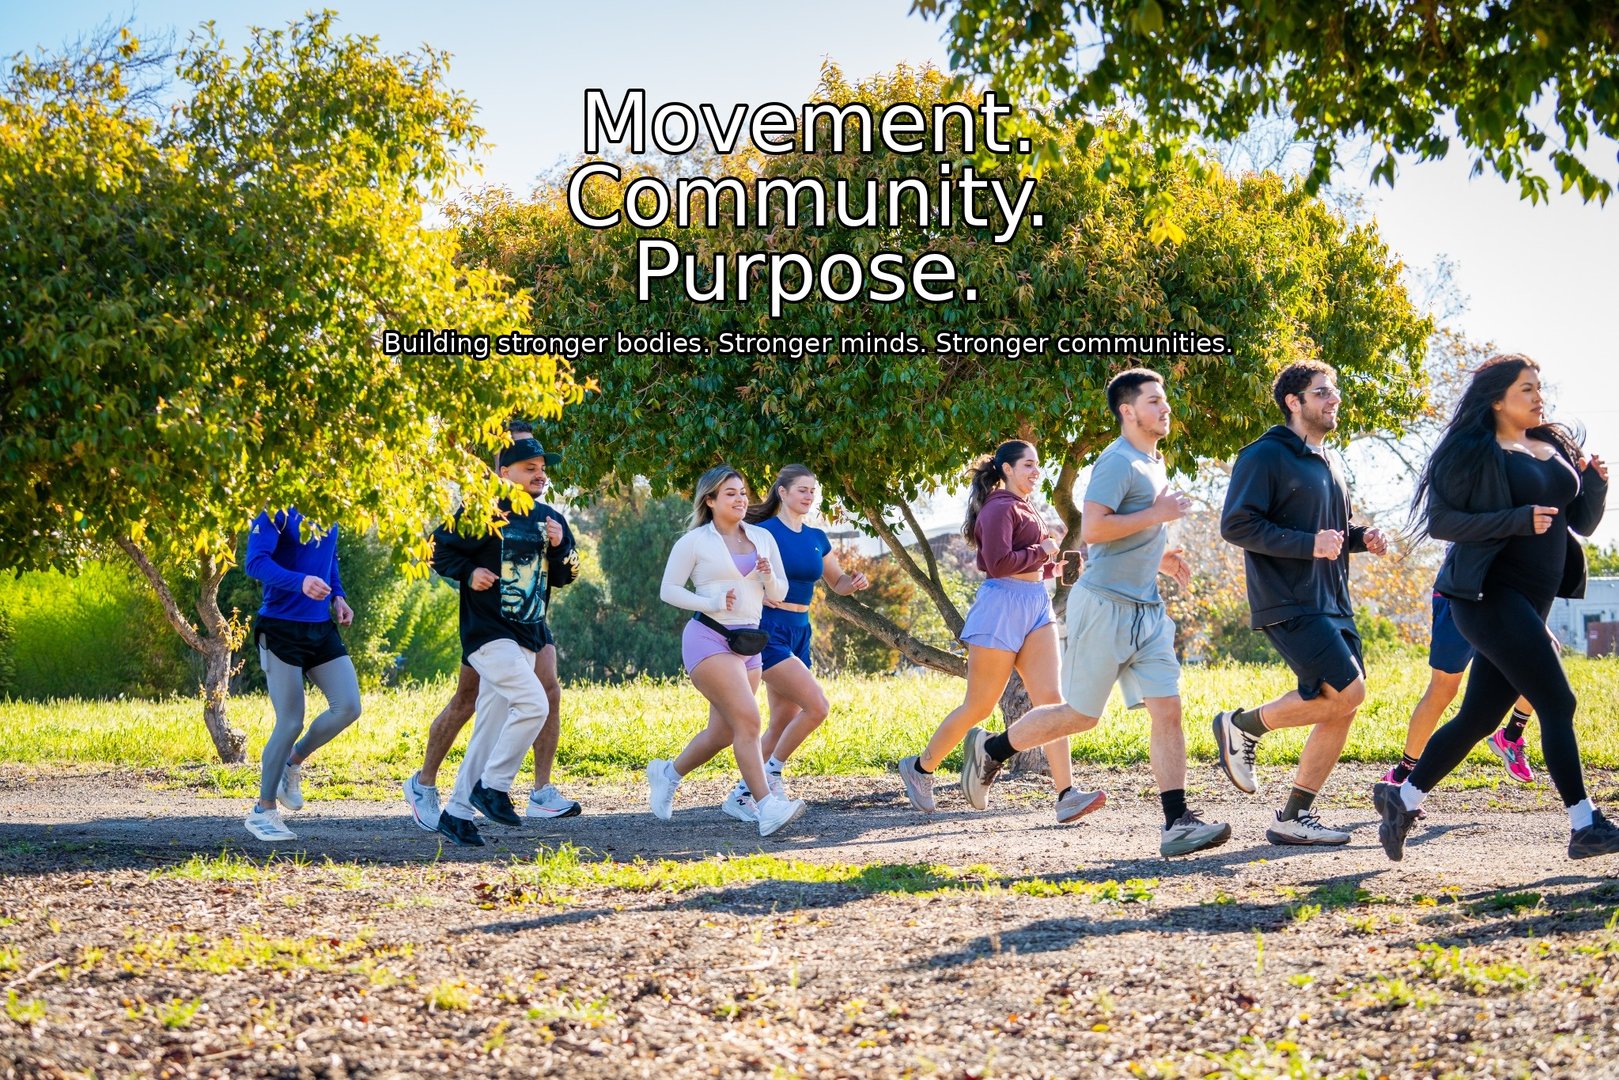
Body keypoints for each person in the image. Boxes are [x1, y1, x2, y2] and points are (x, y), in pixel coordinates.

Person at [957, 371, 1231, 856]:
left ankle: (1176, 821)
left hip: (1146, 607)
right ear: (1128, 411)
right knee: (1081, 716)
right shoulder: (1116, 461)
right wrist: (1156, 517)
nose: (1165, 408)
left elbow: (1133, 530)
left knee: (1168, 709)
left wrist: (1159, 555)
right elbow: (1096, 532)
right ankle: (991, 749)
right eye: (1155, 401)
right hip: (1103, 605)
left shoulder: (1152, 462)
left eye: (1164, 400)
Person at [1377, 354, 1616, 861]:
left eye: (1538, 387)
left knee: (1480, 716)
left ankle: (1404, 798)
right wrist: (1514, 519)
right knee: (1558, 702)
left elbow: (1583, 525)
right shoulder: (1474, 451)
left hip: (1531, 601)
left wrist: (1593, 483)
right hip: (1486, 596)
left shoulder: (1550, 444)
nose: (1538, 397)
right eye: (1526, 389)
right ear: (1497, 400)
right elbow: (1443, 522)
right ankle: (1585, 823)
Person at [1213, 360, 1391, 846]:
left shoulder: (1330, 461)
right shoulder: (1264, 456)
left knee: (1341, 706)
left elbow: (1329, 532)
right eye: (1321, 393)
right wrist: (1309, 544)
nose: (1333, 400)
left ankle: (1293, 816)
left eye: (1333, 392)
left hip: (1333, 600)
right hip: (1289, 599)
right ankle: (1242, 725)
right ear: (1294, 402)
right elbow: (1237, 525)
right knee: (1350, 692)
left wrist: (1360, 538)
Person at [898, 441, 1095, 823]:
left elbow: (1029, 562)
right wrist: (1042, 551)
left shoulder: (1025, 506)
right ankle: (920, 768)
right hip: (1001, 608)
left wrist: (1057, 568)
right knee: (980, 705)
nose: (1036, 472)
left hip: (1035, 603)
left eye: (1038, 465)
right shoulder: (998, 507)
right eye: (1028, 465)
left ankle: (1067, 794)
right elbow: (998, 563)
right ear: (1006, 469)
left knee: (1051, 702)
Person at [403, 420, 580, 832]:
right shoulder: (483, 513)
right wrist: (469, 573)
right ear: (504, 473)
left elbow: (566, 575)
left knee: (487, 728)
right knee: (534, 703)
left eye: (541, 468)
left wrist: (559, 547)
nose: (539, 474)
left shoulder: (551, 518)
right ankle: (493, 787)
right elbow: (435, 549)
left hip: (528, 635)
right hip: (487, 634)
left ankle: (458, 814)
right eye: (528, 467)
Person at [648, 465, 807, 837]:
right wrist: (711, 599)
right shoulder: (694, 541)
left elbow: (779, 594)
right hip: (708, 638)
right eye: (730, 493)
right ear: (710, 500)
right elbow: (668, 590)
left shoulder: (762, 538)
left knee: (722, 733)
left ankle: (667, 774)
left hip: (748, 643)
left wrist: (768, 575)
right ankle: (766, 806)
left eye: (742, 492)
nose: (740, 499)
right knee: (750, 721)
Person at [715, 465, 871, 817]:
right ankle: (771, 774)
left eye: (812, 490)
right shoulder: (763, 532)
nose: (809, 495)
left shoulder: (817, 537)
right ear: (782, 492)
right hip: (769, 630)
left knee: (783, 719)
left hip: (801, 629)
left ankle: (741, 794)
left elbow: (837, 582)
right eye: (801, 489)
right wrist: (754, 590)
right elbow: (731, 568)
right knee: (817, 706)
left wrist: (854, 581)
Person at [242, 508, 363, 842]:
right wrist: (300, 582)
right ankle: (263, 811)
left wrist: (338, 594)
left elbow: (328, 559)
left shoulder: (330, 507)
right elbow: (255, 562)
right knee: (291, 720)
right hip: (280, 628)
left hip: (320, 628)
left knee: (349, 706)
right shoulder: (276, 512)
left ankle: (291, 764)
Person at [1382, 581, 1538, 803]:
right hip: (1461, 588)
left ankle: (1511, 736)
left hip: (1506, 593)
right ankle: (1402, 773)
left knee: (1538, 660)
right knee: (1443, 689)